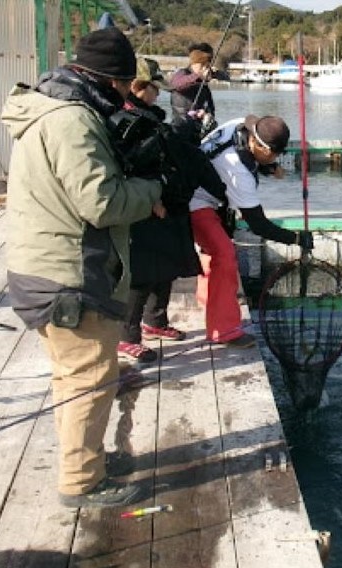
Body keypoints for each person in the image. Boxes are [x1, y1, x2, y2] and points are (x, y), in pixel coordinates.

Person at [1, 28, 164, 507]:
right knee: (88, 381)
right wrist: (151, 189)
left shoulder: (47, 105)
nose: (123, 94)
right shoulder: (73, 119)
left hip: (41, 264)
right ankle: (82, 482)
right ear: (109, 79)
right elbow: (102, 202)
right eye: (122, 85)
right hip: (69, 275)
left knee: (75, 375)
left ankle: (84, 458)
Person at [117, 58, 228, 363]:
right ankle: (126, 336)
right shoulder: (121, 118)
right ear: (138, 87)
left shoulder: (151, 117)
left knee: (166, 264)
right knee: (142, 271)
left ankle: (156, 321)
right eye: (153, 88)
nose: (157, 95)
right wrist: (149, 198)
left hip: (168, 202)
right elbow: (124, 165)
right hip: (143, 205)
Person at [190, 115, 313, 347]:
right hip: (193, 200)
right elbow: (258, 224)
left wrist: (268, 166)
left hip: (207, 189)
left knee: (214, 249)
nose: (276, 158)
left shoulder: (242, 125)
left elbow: (250, 156)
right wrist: (295, 238)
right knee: (224, 255)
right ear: (256, 143)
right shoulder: (237, 172)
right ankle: (224, 331)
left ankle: (209, 300)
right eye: (273, 154)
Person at [170, 42, 217, 127]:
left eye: (207, 66)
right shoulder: (182, 73)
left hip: (199, 129)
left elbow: (210, 107)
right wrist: (199, 75)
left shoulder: (203, 84)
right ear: (194, 63)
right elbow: (176, 85)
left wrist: (207, 114)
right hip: (181, 128)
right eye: (202, 65)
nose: (204, 68)